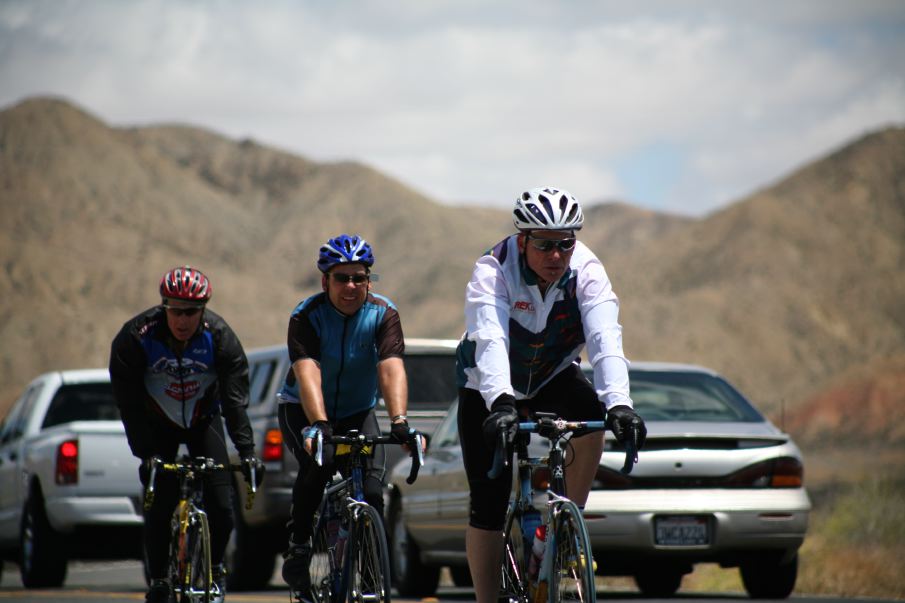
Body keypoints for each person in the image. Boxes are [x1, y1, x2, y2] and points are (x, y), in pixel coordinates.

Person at [456, 187, 648, 602]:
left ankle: (562, 528)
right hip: (485, 384)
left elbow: (604, 338)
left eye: (565, 244)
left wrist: (620, 403)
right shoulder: (493, 269)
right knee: (487, 504)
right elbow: (489, 340)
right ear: (523, 240)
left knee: (591, 417)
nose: (556, 255)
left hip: (552, 375)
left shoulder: (588, 271)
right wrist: (502, 403)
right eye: (544, 244)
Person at [277, 234, 424, 597]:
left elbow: (390, 367)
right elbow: (307, 370)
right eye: (342, 278)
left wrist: (400, 421)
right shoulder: (306, 315)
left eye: (359, 277)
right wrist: (321, 424)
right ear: (325, 280)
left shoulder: (383, 313)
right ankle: (298, 543)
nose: (351, 286)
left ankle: (371, 576)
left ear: (369, 281)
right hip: (303, 409)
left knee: (373, 491)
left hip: (359, 411)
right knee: (319, 466)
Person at [109, 266, 263, 603]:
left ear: (203, 310)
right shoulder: (136, 337)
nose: (183, 320)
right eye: (175, 310)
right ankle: (160, 579)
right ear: (164, 306)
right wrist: (145, 453)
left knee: (223, 507)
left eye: (191, 312)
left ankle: (217, 567)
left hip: (203, 421)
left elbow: (235, 404)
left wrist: (248, 451)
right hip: (156, 424)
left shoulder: (220, 337)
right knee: (159, 503)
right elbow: (129, 404)